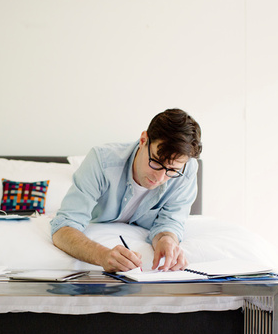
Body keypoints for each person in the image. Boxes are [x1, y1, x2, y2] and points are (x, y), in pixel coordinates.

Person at [50, 108, 202, 273]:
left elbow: (170, 221)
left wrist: (167, 239)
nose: (160, 177)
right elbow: (63, 227)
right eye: (156, 162)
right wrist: (102, 255)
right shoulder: (101, 162)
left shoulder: (186, 172)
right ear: (144, 140)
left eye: (172, 170)